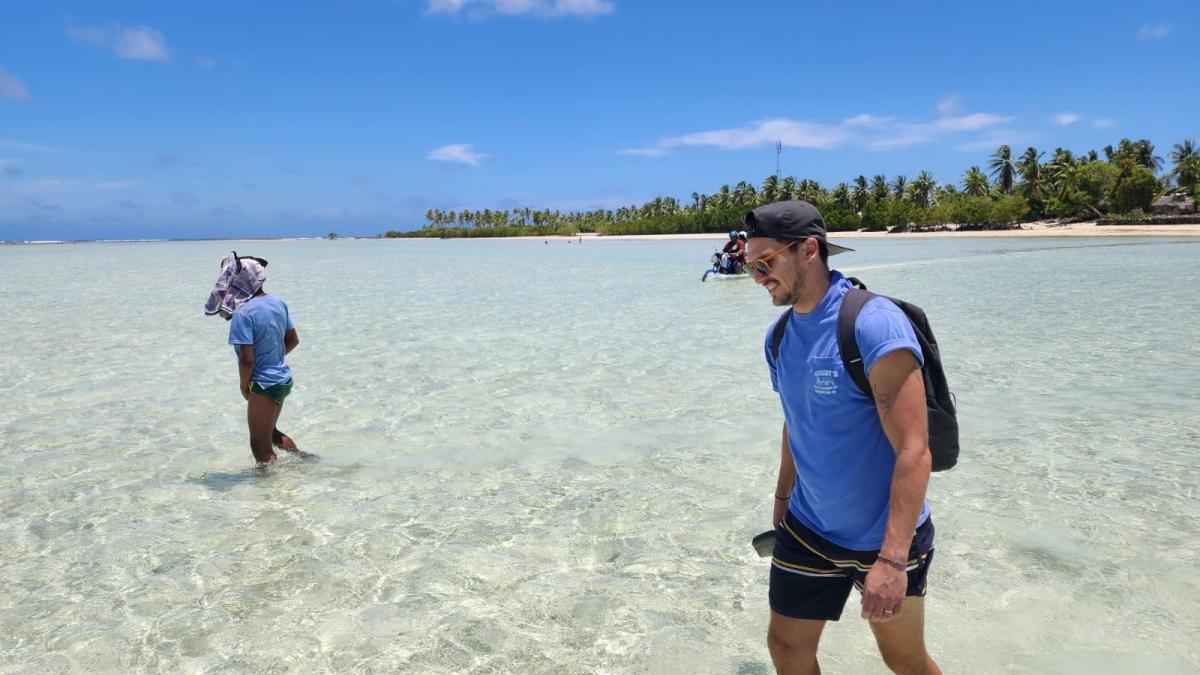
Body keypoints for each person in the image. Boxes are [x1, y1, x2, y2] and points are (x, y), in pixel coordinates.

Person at [745, 200, 941, 675]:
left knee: (904, 659)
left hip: (884, 539)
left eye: (765, 263)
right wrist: (782, 497)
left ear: (809, 249)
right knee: (787, 650)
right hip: (808, 528)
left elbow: (915, 449)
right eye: (749, 265)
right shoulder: (780, 336)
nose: (757, 277)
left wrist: (892, 561)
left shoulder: (872, 324)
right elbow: (798, 419)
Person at [204, 253, 303, 465]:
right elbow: (293, 340)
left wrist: (244, 386)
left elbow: (247, 360)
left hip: (263, 384)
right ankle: (303, 460)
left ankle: (268, 490)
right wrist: (272, 358)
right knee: (272, 433)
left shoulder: (243, 313)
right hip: (282, 379)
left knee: (260, 447)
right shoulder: (278, 303)